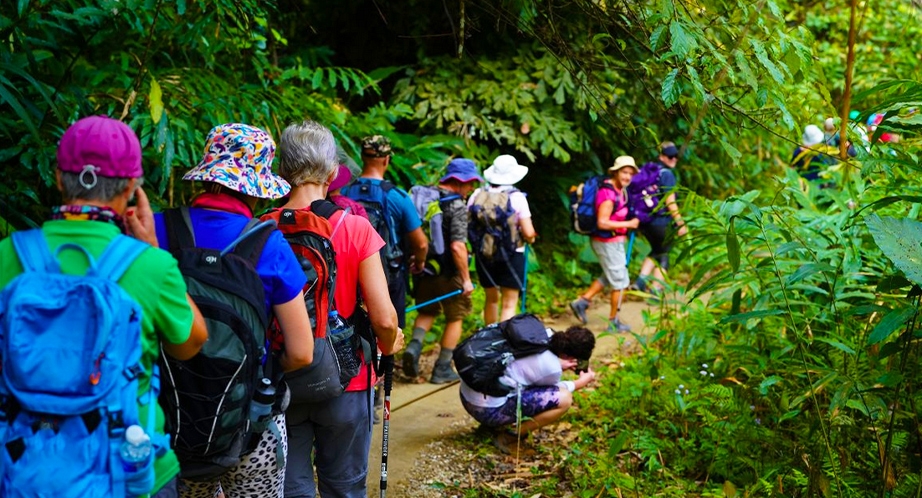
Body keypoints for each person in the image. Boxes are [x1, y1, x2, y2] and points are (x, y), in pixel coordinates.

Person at [0, 115, 208, 497]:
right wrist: (153, 251)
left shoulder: (7, 256)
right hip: (127, 470)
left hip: (22, 467)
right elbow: (190, 343)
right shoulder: (150, 266)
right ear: (132, 188)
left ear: (59, 178)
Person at [154, 123, 315, 497]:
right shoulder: (268, 245)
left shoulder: (157, 231)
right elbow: (301, 351)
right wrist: (255, 369)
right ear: (256, 187)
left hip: (172, 420)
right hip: (249, 425)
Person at [274, 120, 403, 498]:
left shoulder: (262, 228)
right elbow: (383, 317)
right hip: (347, 378)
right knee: (344, 486)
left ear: (282, 171)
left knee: (291, 486)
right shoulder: (355, 227)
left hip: (283, 376)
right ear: (333, 172)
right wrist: (391, 340)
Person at [403, 158, 482, 384]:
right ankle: (443, 367)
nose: (471, 188)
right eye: (470, 183)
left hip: (423, 266)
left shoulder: (426, 197)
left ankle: (414, 348)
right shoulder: (455, 205)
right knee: (455, 316)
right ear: (460, 181)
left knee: (427, 311)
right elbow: (458, 246)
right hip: (449, 271)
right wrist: (466, 279)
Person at [459, 326, 596, 453]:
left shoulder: (542, 333)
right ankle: (509, 436)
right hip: (486, 410)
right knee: (564, 399)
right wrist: (578, 383)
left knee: (513, 379)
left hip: (467, 393)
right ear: (572, 358)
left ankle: (488, 429)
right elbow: (549, 392)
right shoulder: (552, 369)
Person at [341, 135, 428, 331]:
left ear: (362, 157)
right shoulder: (397, 196)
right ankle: (386, 361)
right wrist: (419, 262)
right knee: (390, 330)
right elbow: (420, 243)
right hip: (389, 273)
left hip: (348, 272)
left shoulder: (342, 192)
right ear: (386, 159)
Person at [569, 156, 640, 332]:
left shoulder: (620, 190)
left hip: (614, 241)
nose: (627, 176)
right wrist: (628, 225)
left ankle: (582, 301)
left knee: (610, 275)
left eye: (630, 173)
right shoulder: (607, 193)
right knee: (620, 282)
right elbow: (603, 222)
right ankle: (613, 322)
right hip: (606, 242)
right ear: (615, 172)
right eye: (624, 172)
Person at [469, 154, 537, 324]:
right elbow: (528, 232)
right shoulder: (517, 197)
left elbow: (468, 221)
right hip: (511, 253)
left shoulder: (477, 194)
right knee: (509, 302)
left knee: (491, 299)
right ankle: (504, 342)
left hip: (484, 253)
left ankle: (489, 340)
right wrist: (531, 239)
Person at [631, 142, 688, 295]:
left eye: (676, 156)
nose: (674, 159)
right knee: (664, 254)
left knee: (656, 249)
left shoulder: (648, 170)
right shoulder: (667, 175)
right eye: (670, 156)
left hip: (644, 222)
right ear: (662, 156)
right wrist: (680, 222)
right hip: (661, 222)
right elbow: (670, 201)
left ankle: (640, 281)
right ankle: (656, 289)